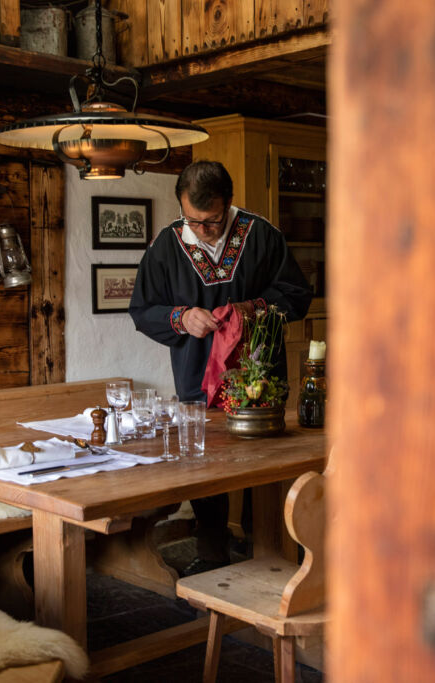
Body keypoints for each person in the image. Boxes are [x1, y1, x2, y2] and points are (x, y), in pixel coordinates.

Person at [129, 160, 313, 575]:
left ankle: (265, 552)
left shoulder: (261, 235)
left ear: (227, 205)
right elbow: (142, 310)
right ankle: (212, 554)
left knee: (263, 468)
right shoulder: (168, 244)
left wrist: (251, 309)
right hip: (197, 377)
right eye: (192, 220)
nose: (201, 230)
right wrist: (181, 318)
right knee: (204, 465)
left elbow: (297, 294)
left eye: (211, 221)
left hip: (257, 378)